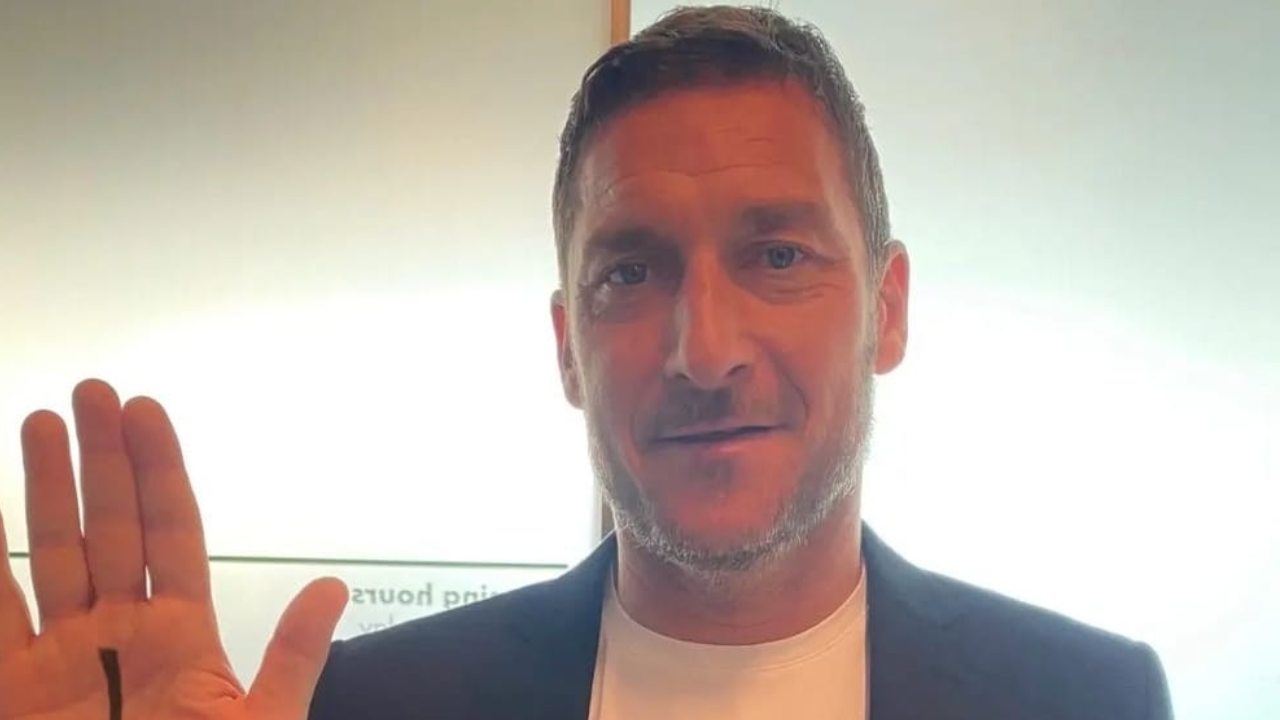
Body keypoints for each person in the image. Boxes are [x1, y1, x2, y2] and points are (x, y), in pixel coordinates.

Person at [0, 6, 1173, 720]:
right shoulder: (376, 706)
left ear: (887, 308)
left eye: (775, 256)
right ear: (567, 348)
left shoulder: (1084, 700)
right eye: (631, 272)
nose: (704, 351)